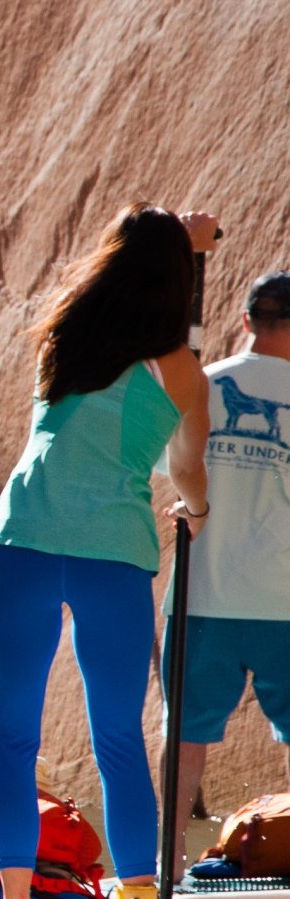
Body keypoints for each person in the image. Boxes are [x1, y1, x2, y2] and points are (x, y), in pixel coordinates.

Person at [0, 203, 218, 899]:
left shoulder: (63, 334)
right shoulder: (184, 372)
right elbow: (186, 470)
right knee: (118, 736)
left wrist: (173, 239)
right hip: (114, 552)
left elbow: (111, 279)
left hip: (24, 538)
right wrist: (196, 511)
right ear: (177, 283)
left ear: (109, 262)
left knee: (12, 736)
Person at [168, 271, 290, 836]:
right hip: (283, 602)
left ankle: (165, 864)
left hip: (202, 597)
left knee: (184, 736)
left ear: (246, 320)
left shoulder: (201, 382)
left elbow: (169, 469)